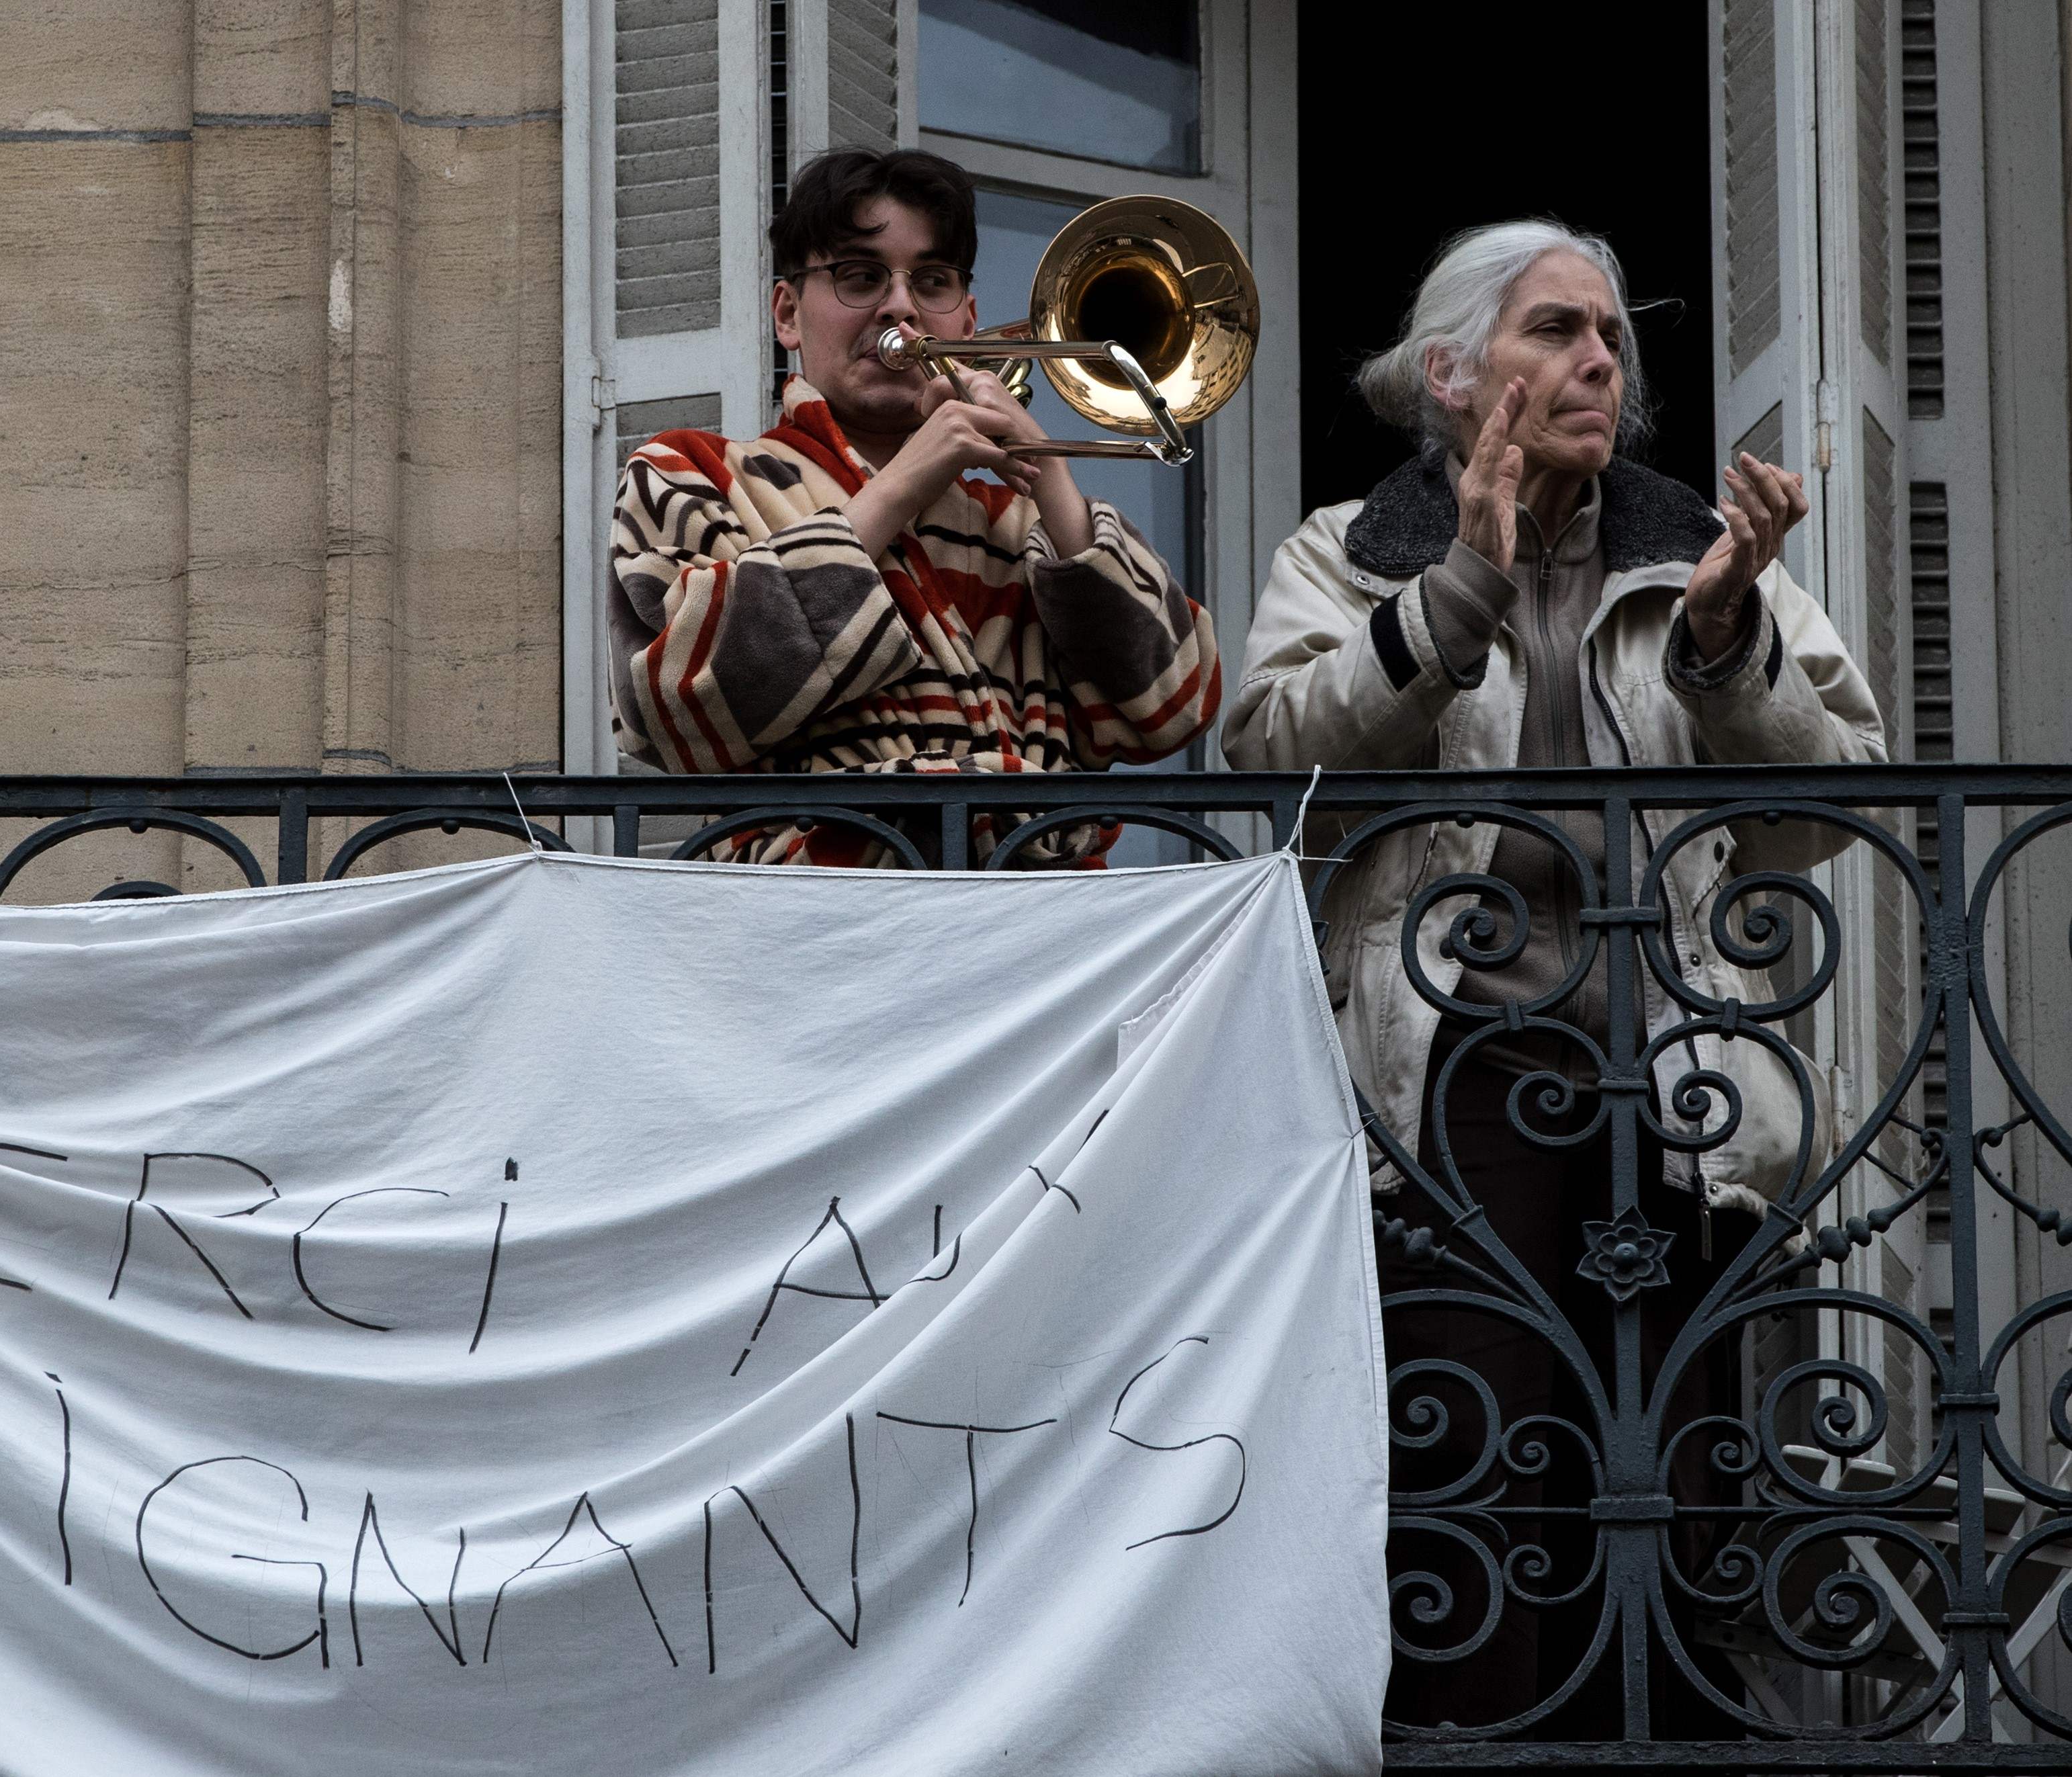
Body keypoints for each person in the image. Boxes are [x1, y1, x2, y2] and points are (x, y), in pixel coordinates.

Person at [1221, 221, 1886, 1735]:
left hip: (1675, 1071)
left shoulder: (1697, 550)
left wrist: (1723, 649)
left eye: (1608, 336)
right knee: (1479, 1456)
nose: (1600, 359)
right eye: (1555, 330)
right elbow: (1268, 754)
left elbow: (1840, 798)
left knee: (1675, 1480)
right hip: (1453, 1072)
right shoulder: (1347, 549)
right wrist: (1454, 589)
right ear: (1450, 375)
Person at [607, 148, 1220, 867]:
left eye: (929, 281)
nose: (899, 306)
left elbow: (1173, 707)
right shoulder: (693, 472)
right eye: (861, 276)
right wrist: (906, 480)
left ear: (964, 317)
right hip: (810, 924)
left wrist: (1050, 475)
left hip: (1040, 932)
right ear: (787, 314)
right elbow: (668, 702)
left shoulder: (1029, 519)